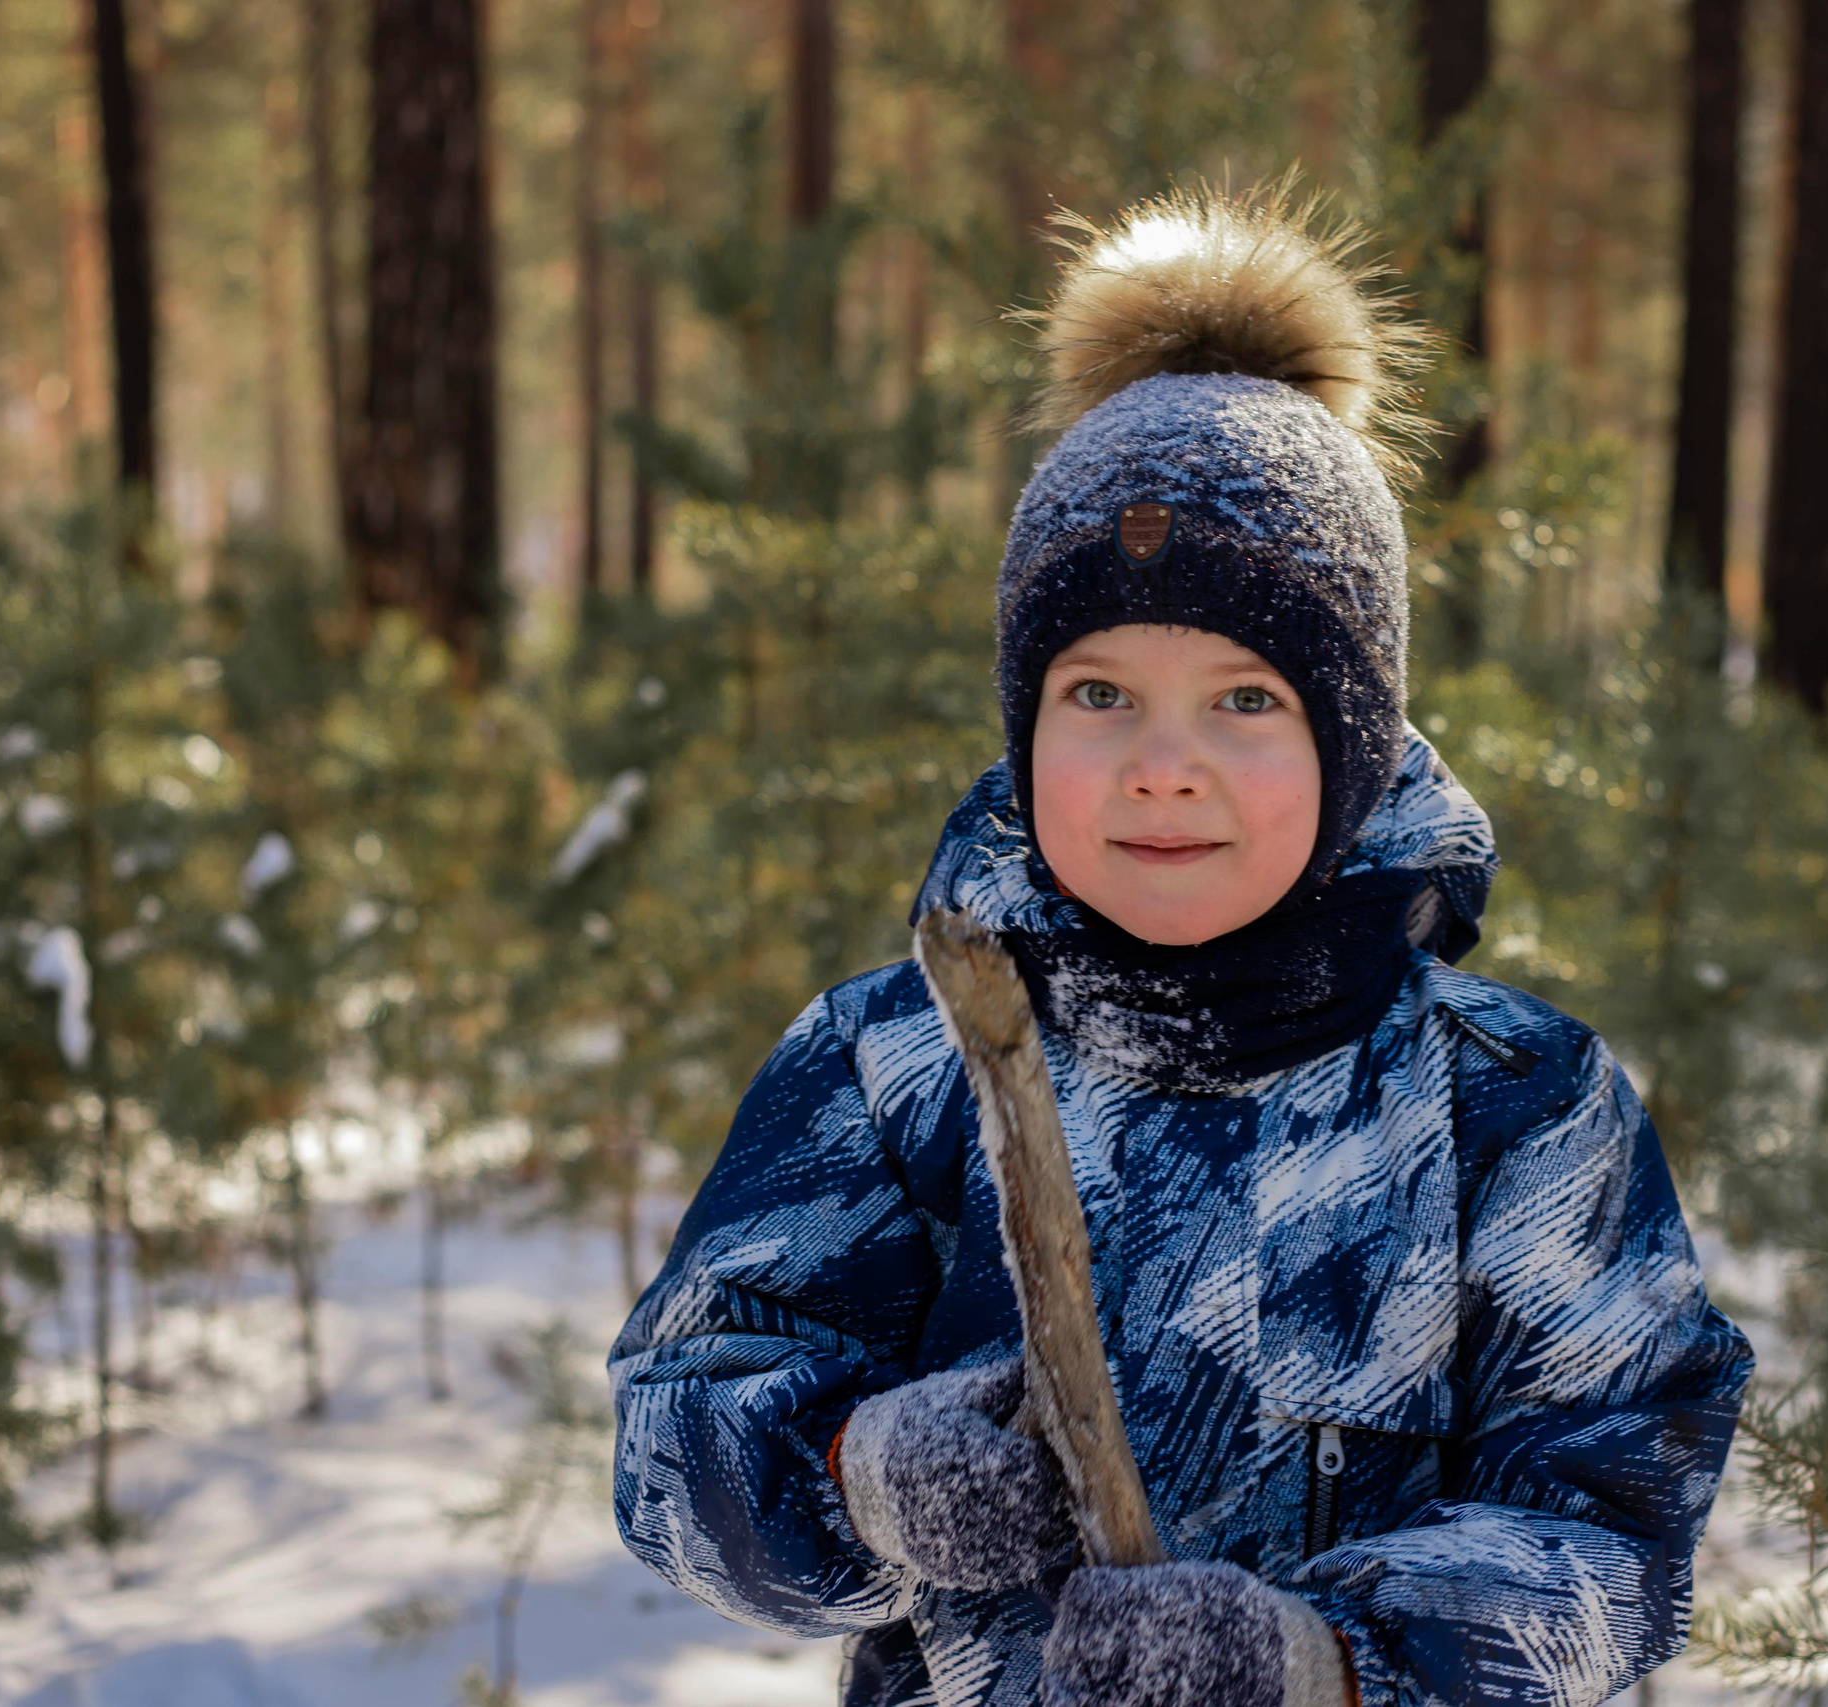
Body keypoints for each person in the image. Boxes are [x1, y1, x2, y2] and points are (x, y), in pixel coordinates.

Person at [609, 186, 1753, 1707]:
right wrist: (859, 1477)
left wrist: (1322, 1663)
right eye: (1098, 696)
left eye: (1245, 701)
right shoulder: (889, 1073)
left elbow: (1614, 1520)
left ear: (1354, 742)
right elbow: (680, 1434)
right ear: (1024, 725)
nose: (1165, 765)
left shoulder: (1517, 1107)